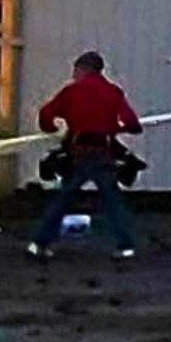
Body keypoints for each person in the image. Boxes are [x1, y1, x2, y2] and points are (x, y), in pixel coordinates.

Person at [27, 51, 143, 261]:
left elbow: (46, 115)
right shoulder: (113, 92)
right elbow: (133, 124)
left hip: (78, 152)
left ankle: (39, 243)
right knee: (112, 201)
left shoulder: (72, 91)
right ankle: (126, 246)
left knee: (62, 200)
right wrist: (113, 127)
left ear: (83, 69)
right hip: (102, 152)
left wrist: (51, 128)